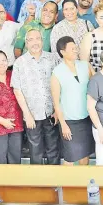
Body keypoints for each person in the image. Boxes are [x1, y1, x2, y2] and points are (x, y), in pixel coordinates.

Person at [11, 29, 61, 165]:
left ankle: (55, 181)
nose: (35, 42)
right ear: (26, 43)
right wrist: (26, 114)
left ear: (42, 41)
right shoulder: (20, 63)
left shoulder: (52, 59)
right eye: (31, 40)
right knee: (35, 149)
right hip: (32, 113)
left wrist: (57, 110)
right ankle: (37, 181)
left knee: (53, 148)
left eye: (37, 39)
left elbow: (60, 85)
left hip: (51, 112)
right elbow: (17, 90)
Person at [51, 36, 95, 166]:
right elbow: (56, 101)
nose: (76, 50)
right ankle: (66, 185)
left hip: (86, 118)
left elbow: (96, 84)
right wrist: (63, 125)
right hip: (69, 121)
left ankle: (83, 184)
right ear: (62, 52)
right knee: (70, 158)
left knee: (85, 155)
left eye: (76, 48)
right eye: (72, 49)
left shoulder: (85, 65)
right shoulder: (57, 72)